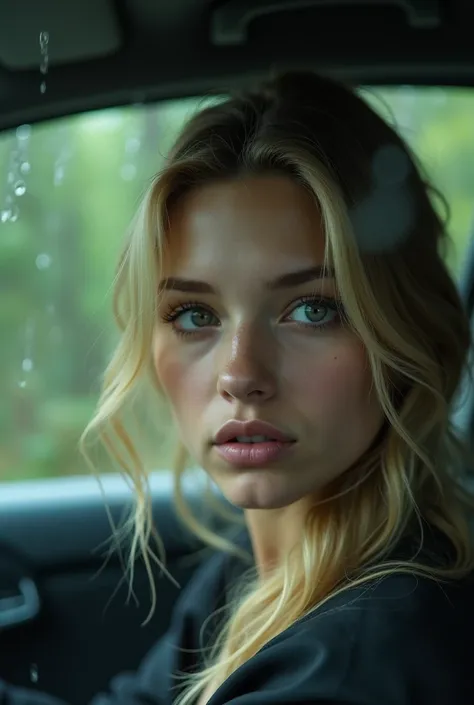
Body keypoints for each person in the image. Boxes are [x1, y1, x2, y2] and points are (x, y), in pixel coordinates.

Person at [2, 70, 474, 705]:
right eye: (195, 316)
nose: (240, 375)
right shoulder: (261, 567)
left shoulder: (360, 662)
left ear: (402, 330)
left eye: (312, 310)